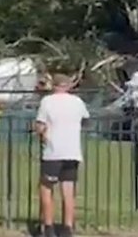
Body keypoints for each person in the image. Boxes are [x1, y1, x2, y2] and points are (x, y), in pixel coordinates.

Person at [34, 74, 90, 237]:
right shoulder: (78, 102)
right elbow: (86, 120)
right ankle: (67, 228)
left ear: (54, 85)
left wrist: (41, 131)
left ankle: (49, 226)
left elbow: (40, 125)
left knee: (46, 189)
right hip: (72, 151)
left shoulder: (47, 102)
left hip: (53, 151)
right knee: (68, 191)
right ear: (68, 86)